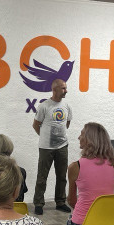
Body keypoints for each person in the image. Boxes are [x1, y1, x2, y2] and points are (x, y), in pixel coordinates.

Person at [32, 79, 73, 215]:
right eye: (63, 88)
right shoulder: (44, 106)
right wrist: (45, 137)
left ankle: (60, 202)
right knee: (42, 176)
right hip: (46, 147)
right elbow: (36, 125)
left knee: (62, 176)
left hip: (62, 146)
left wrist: (58, 138)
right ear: (54, 89)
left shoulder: (67, 106)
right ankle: (38, 203)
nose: (66, 91)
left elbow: (67, 123)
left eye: (66, 88)